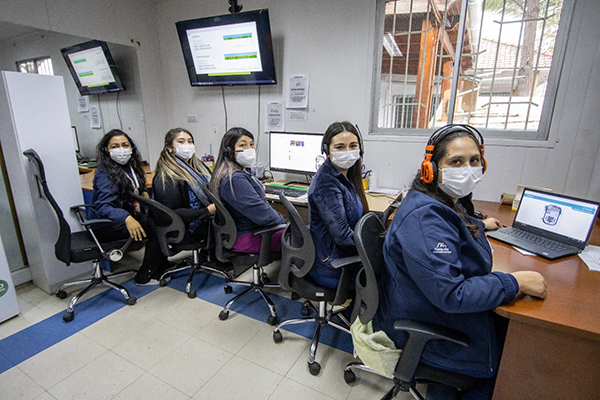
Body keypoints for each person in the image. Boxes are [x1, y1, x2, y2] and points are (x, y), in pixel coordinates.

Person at [372, 124, 547, 399]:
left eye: (474, 161)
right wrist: (514, 281)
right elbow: (451, 294)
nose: (467, 168)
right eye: (456, 162)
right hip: (427, 324)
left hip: (428, 310)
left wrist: (477, 223)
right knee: (514, 362)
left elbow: (451, 223)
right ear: (431, 168)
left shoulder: (443, 201)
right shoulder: (424, 217)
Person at [90, 129, 171, 286]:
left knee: (162, 219)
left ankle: (162, 264)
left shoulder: (129, 167)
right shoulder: (104, 173)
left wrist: (145, 194)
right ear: (107, 150)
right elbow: (103, 206)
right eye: (115, 146)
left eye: (125, 145)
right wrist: (126, 218)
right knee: (157, 228)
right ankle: (145, 275)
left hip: (130, 216)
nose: (121, 149)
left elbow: (136, 188)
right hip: (109, 223)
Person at [307, 121, 369, 288]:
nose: (347, 152)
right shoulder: (326, 184)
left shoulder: (345, 176)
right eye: (340, 147)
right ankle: (356, 313)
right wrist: (371, 249)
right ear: (327, 151)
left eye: (353, 146)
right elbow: (342, 236)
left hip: (341, 257)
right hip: (334, 266)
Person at [209, 127, 285, 253]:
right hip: (249, 237)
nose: (249, 149)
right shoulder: (235, 180)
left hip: (245, 232)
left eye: (251, 144)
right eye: (242, 145)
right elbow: (264, 216)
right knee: (303, 238)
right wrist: (283, 220)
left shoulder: (234, 173)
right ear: (229, 150)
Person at [153, 128, 215, 242]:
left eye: (190, 141)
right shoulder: (167, 176)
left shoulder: (199, 166)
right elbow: (172, 213)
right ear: (170, 148)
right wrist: (207, 211)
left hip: (208, 218)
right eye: (181, 142)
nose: (187, 145)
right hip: (189, 227)